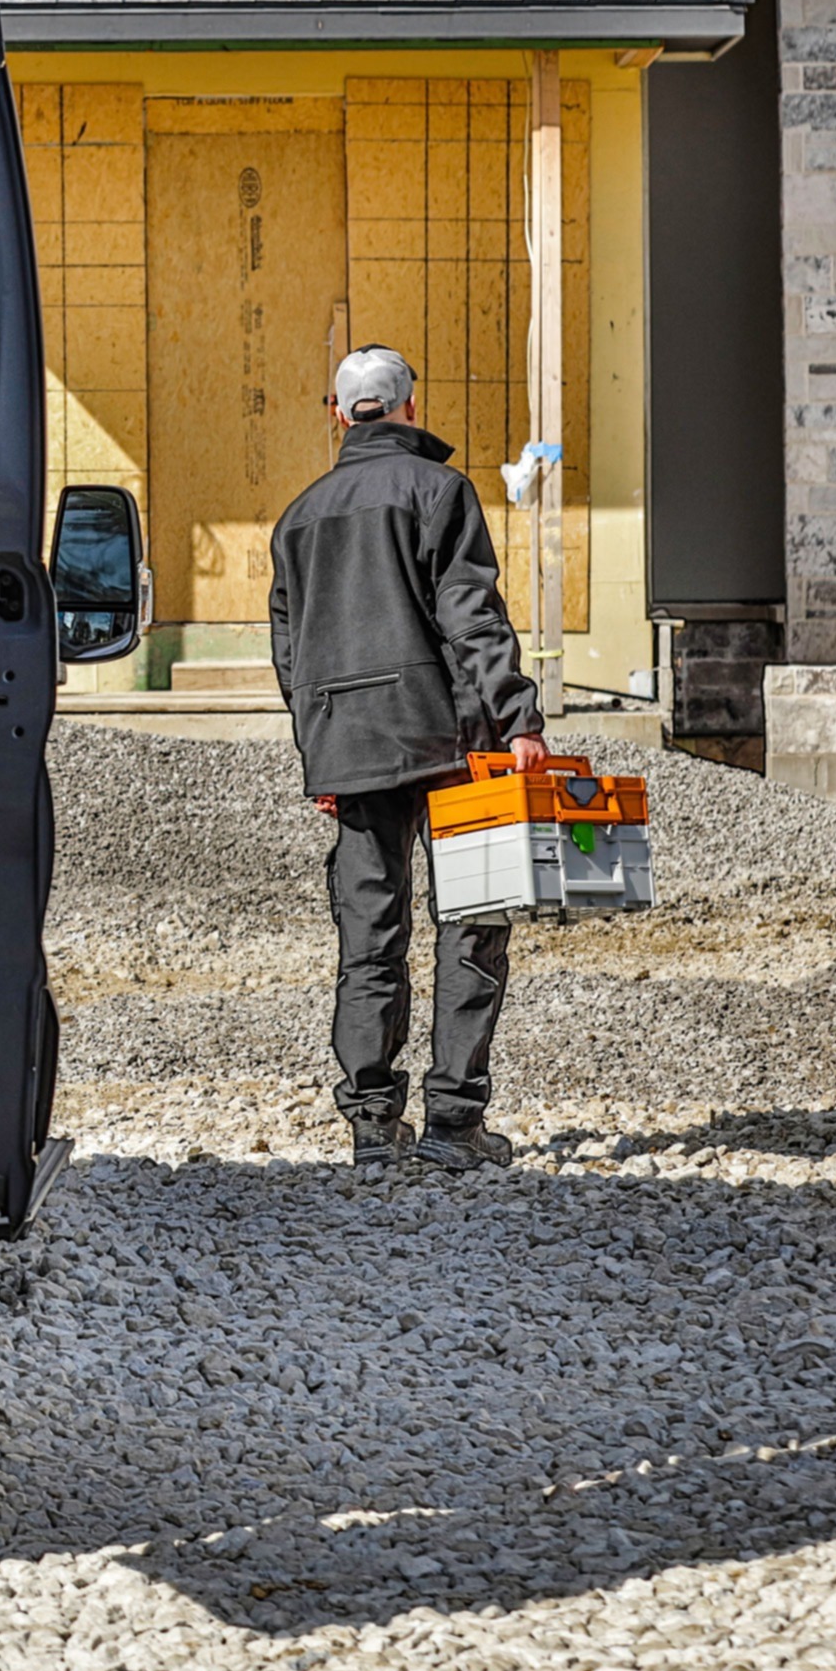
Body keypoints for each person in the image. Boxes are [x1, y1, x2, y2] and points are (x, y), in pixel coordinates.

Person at [265, 346, 547, 1173]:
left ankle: (370, 1125)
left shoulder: (298, 518)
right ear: (410, 409)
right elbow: (471, 614)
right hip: (452, 740)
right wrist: (518, 716)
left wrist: (320, 752)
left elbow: (291, 653)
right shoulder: (440, 491)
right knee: (471, 922)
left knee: (369, 932)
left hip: (346, 750)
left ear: (336, 412)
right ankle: (455, 1125)